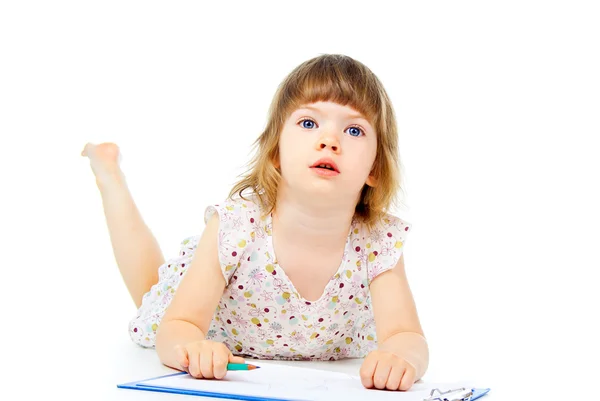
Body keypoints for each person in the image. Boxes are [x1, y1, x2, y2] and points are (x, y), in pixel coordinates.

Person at [81, 54, 429, 391]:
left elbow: (406, 335)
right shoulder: (238, 226)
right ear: (275, 151)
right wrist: (191, 348)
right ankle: (110, 177)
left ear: (375, 168)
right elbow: (178, 325)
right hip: (215, 322)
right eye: (308, 123)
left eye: (354, 130)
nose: (330, 141)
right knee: (149, 290)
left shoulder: (378, 241)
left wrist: (402, 359)